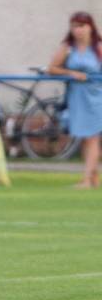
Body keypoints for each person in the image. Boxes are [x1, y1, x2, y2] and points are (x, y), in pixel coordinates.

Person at [47, 11, 102, 188]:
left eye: (81, 26)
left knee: (92, 137)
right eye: (74, 26)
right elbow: (52, 68)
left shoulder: (98, 47)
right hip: (77, 96)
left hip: (96, 96)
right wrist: (71, 73)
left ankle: (86, 180)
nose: (77, 30)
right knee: (85, 137)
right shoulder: (67, 47)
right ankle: (93, 177)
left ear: (90, 27)